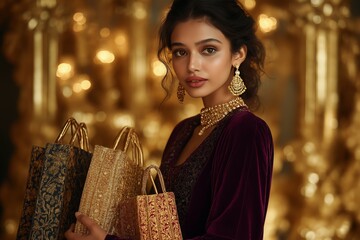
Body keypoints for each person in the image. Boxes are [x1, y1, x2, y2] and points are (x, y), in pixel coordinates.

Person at [65, 0, 274, 239]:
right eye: (181, 52)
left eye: (208, 49)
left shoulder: (247, 132)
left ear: (238, 54)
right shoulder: (183, 132)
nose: (192, 65)